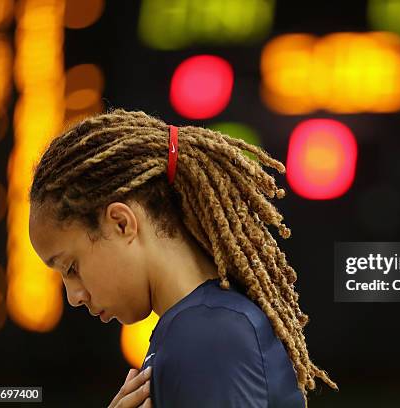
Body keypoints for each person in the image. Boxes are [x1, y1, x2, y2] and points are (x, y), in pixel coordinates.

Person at [28, 108, 338, 407]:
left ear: (122, 223)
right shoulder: (197, 327)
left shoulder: (207, 336)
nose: (73, 297)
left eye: (71, 267)